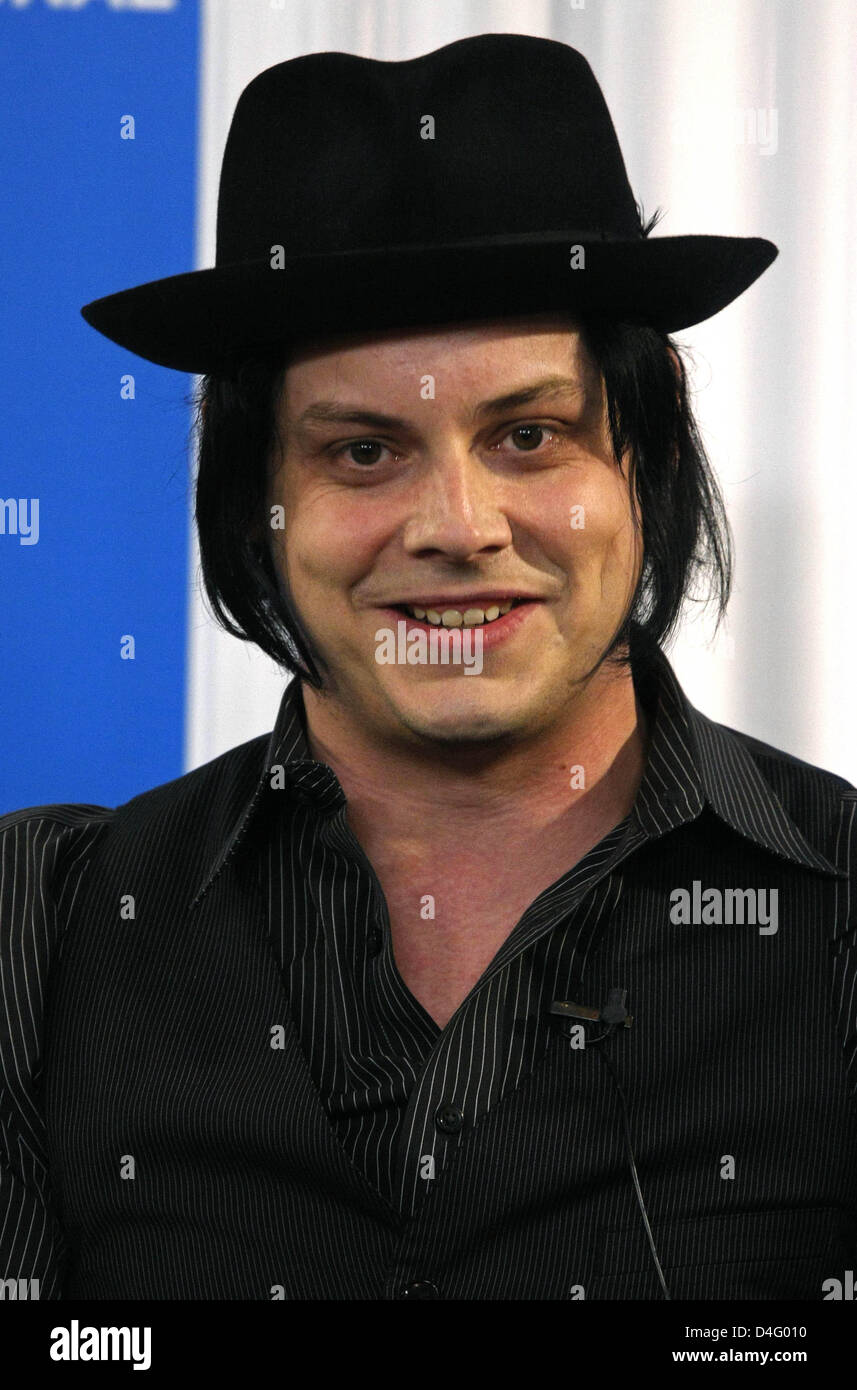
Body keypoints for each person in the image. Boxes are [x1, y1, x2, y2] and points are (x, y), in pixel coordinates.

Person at [2, 33, 856, 1302]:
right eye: (361, 453)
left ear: (650, 451)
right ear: (252, 500)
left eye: (527, 434)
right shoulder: (47, 926)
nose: (455, 526)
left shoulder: (836, 910)